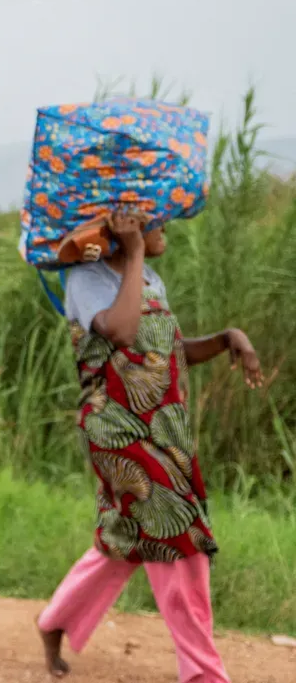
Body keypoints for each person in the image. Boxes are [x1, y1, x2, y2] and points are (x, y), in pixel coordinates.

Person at [36, 210, 262, 682]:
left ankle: (55, 619)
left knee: (128, 539)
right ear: (117, 227)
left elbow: (166, 351)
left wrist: (225, 339)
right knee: (179, 543)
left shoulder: (147, 276)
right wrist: (134, 252)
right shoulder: (86, 279)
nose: (163, 228)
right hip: (120, 432)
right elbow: (118, 331)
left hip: (166, 431)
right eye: (152, 219)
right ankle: (204, 674)